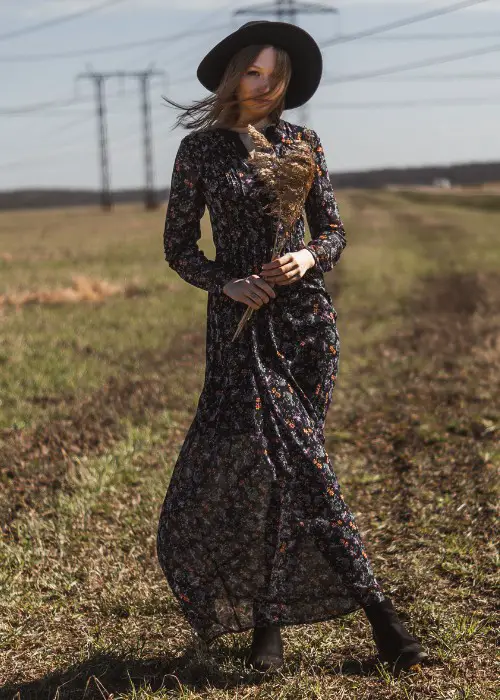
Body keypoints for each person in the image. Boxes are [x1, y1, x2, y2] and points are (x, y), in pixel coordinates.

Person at [156, 20, 429, 676]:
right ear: (233, 75)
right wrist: (229, 282)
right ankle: (383, 620)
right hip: (242, 334)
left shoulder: (305, 143)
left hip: (310, 330)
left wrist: (307, 256)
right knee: (308, 467)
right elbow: (179, 247)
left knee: (289, 477)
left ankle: (266, 629)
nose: (264, 86)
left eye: (275, 77)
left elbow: (333, 229)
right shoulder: (201, 152)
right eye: (253, 72)